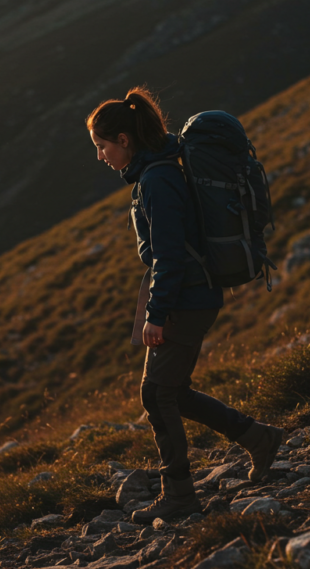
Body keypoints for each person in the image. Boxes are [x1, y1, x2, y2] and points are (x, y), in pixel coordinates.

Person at [86, 86, 283, 524]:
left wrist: (156, 316)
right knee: (172, 391)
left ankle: (179, 495)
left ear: (124, 140)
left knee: (156, 395)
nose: (101, 157)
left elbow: (170, 255)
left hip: (187, 298)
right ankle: (259, 439)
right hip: (191, 293)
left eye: (102, 146)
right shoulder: (156, 171)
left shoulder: (157, 180)